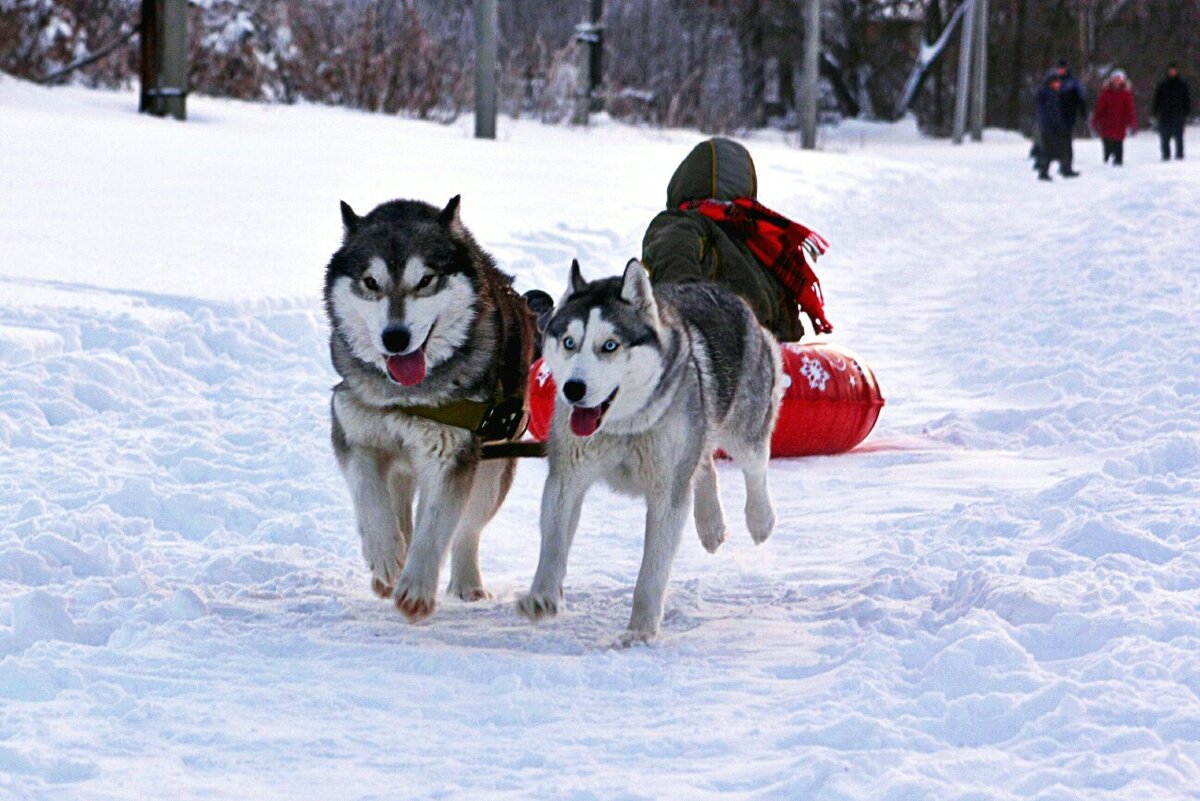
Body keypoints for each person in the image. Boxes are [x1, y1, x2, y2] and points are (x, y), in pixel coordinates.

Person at [641, 138, 831, 342]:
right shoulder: (762, 238)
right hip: (744, 353)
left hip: (725, 352)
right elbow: (676, 277)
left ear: (684, 181)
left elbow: (674, 280)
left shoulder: (684, 223)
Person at [1035, 71, 1079, 180]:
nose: (1058, 84)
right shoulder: (1048, 94)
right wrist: (1055, 123)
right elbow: (1048, 112)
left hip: (1053, 126)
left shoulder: (1053, 94)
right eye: (1055, 82)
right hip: (1049, 127)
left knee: (1058, 148)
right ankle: (1045, 171)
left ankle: (1063, 168)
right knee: (1049, 150)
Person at [1090, 70, 1136, 166]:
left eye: (1119, 79)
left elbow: (1130, 110)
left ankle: (1118, 162)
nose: (1117, 81)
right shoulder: (1105, 93)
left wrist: (1131, 123)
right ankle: (1107, 158)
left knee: (1118, 143)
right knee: (1107, 142)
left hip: (1120, 123)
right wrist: (1095, 120)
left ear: (1123, 81)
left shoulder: (1126, 94)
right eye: (1115, 79)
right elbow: (1099, 108)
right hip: (1107, 123)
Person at [1152, 63, 1191, 160]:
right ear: (1168, 71)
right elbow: (1157, 99)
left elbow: (1187, 100)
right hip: (1165, 115)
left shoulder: (1182, 85)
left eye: (1174, 70)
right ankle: (1166, 156)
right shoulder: (1162, 85)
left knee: (1179, 137)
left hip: (1178, 114)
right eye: (1170, 70)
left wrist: (1187, 112)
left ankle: (1179, 156)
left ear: (1177, 71)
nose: (1172, 72)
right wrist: (1155, 111)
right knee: (1165, 137)